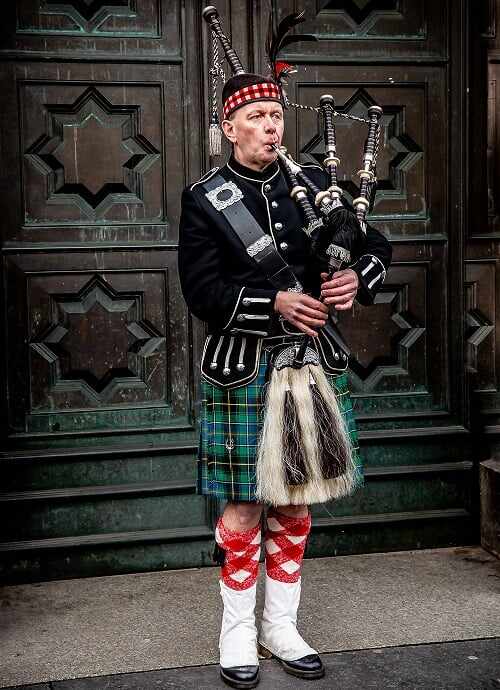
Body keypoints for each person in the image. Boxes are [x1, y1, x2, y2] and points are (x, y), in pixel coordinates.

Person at [178, 69, 392, 689]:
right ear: (229, 127)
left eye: (276, 115)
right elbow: (201, 291)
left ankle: (282, 624)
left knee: (295, 500)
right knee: (244, 505)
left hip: (307, 365)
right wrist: (272, 304)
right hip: (243, 364)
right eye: (257, 117)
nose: (272, 126)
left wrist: (359, 278)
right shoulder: (206, 197)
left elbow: (375, 243)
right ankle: (237, 631)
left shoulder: (316, 183)